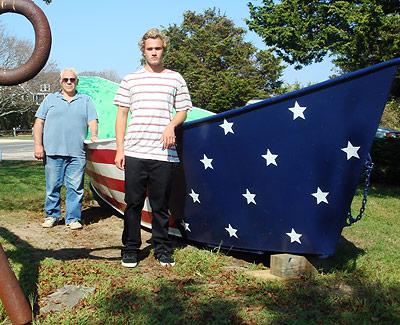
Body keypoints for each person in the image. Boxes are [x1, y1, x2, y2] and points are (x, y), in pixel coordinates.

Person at [114, 28, 192, 268]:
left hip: (163, 153)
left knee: (160, 205)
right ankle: (130, 249)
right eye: (150, 49)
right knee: (133, 203)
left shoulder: (175, 78)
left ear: (163, 49)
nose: (154, 52)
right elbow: (122, 115)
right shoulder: (130, 79)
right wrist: (120, 149)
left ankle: (162, 248)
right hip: (136, 151)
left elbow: (183, 110)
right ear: (143, 51)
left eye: (158, 48)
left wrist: (171, 126)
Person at [33, 68, 98, 230]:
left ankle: (73, 218)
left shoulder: (85, 100)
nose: (69, 82)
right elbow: (39, 123)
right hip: (52, 152)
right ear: (60, 81)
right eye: (65, 79)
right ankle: (51, 216)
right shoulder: (50, 99)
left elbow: (92, 120)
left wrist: (94, 136)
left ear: (77, 82)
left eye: (72, 79)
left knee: (75, 188)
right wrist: (38, 145)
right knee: (52, 187)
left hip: (77, 153)